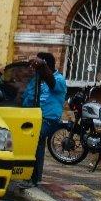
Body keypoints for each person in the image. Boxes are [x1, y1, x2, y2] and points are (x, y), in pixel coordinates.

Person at [22, 52, 66, 186]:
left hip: (48, 118)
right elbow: (26, 95)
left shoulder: (58, 79)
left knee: (37, 138)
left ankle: (33, 178)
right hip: (32, 116)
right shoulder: (35, 79)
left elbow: (52, 83)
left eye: (38, 64)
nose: (35, 67)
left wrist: (43, 67)